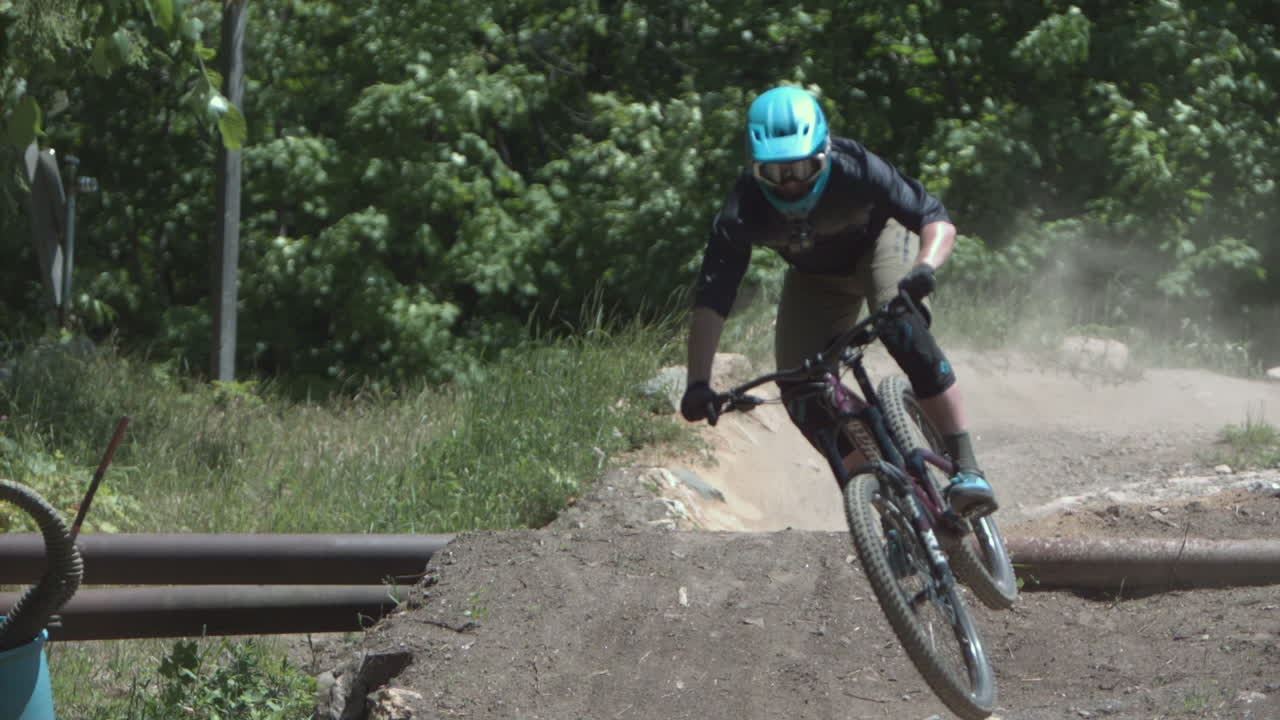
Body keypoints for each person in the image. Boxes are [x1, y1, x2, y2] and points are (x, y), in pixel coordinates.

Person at [679, 85, 997, 518]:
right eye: (775, 174)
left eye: (802, 168)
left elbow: (934, 219)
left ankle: (966, 467)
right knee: (798, 387)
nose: (790, 184)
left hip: (881, 245)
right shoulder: (741, 211)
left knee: (899, 323)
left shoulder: (860, 169)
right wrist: (698, 383)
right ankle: (882, 498)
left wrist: (924, 269)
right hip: (815, 278)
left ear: (824, 154)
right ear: (755, 170)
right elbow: (713, 298)